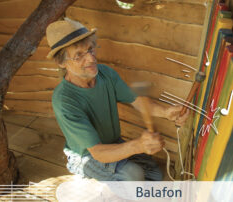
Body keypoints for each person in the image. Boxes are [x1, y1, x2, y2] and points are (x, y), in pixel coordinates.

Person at [46, 18, 189, 181]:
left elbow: (137, 101)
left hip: (113, 143)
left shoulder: (105, 74)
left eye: (91, 49)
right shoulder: (64, 100)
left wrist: (167, 112)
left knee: (154, 173)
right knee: (134, 175)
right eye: (79, 56)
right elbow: (98, 152)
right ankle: (90, 183)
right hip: (87, 156)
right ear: (62, 62)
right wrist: (138, 145)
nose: (91, 59)